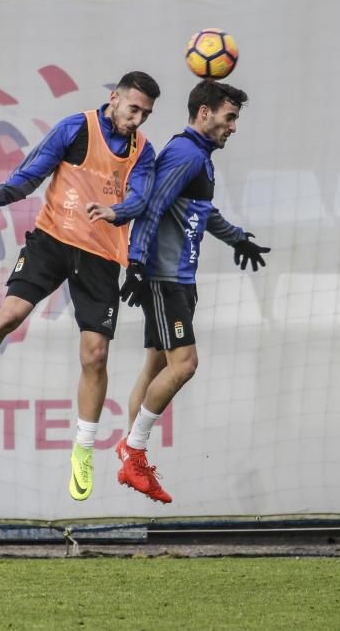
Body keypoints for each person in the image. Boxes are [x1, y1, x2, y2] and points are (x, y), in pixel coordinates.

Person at [0, 71, 162, 501]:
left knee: (96, 354)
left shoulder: (143, 151)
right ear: (114, 99)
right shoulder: (76, 128)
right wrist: (2, 194)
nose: (138, 119)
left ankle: (83, 449)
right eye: (133, 109)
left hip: (101, 258)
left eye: (145, 113)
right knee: (8, 316)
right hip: (51, 241)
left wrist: (116, 211)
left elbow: (142, 199)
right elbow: (34, 170)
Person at [88, 78, 270, 504]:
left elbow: (200, 212)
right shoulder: (185, 153)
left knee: (155, 368)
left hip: (180, 280)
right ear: (204, 113)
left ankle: (133, 456)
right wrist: (135, 263)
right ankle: (133, 451)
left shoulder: (199, 157)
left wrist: (237, 238)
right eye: (230, 117)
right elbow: (151, 206)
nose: (234, 127)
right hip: (164, 278)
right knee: (185, 364)